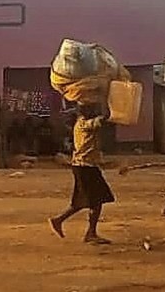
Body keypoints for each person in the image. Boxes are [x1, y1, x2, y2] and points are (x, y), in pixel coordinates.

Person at [49, 103, 115, 245]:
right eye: (91, 108)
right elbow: (101, 121)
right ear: (84, 110)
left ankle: (63, 222)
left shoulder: (81, 123)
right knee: (94, 200)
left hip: (85, 166)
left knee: (89, 200)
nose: (94, 110)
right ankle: (87, 232)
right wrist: (113, 108)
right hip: (85, 167)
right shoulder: (84, 124)